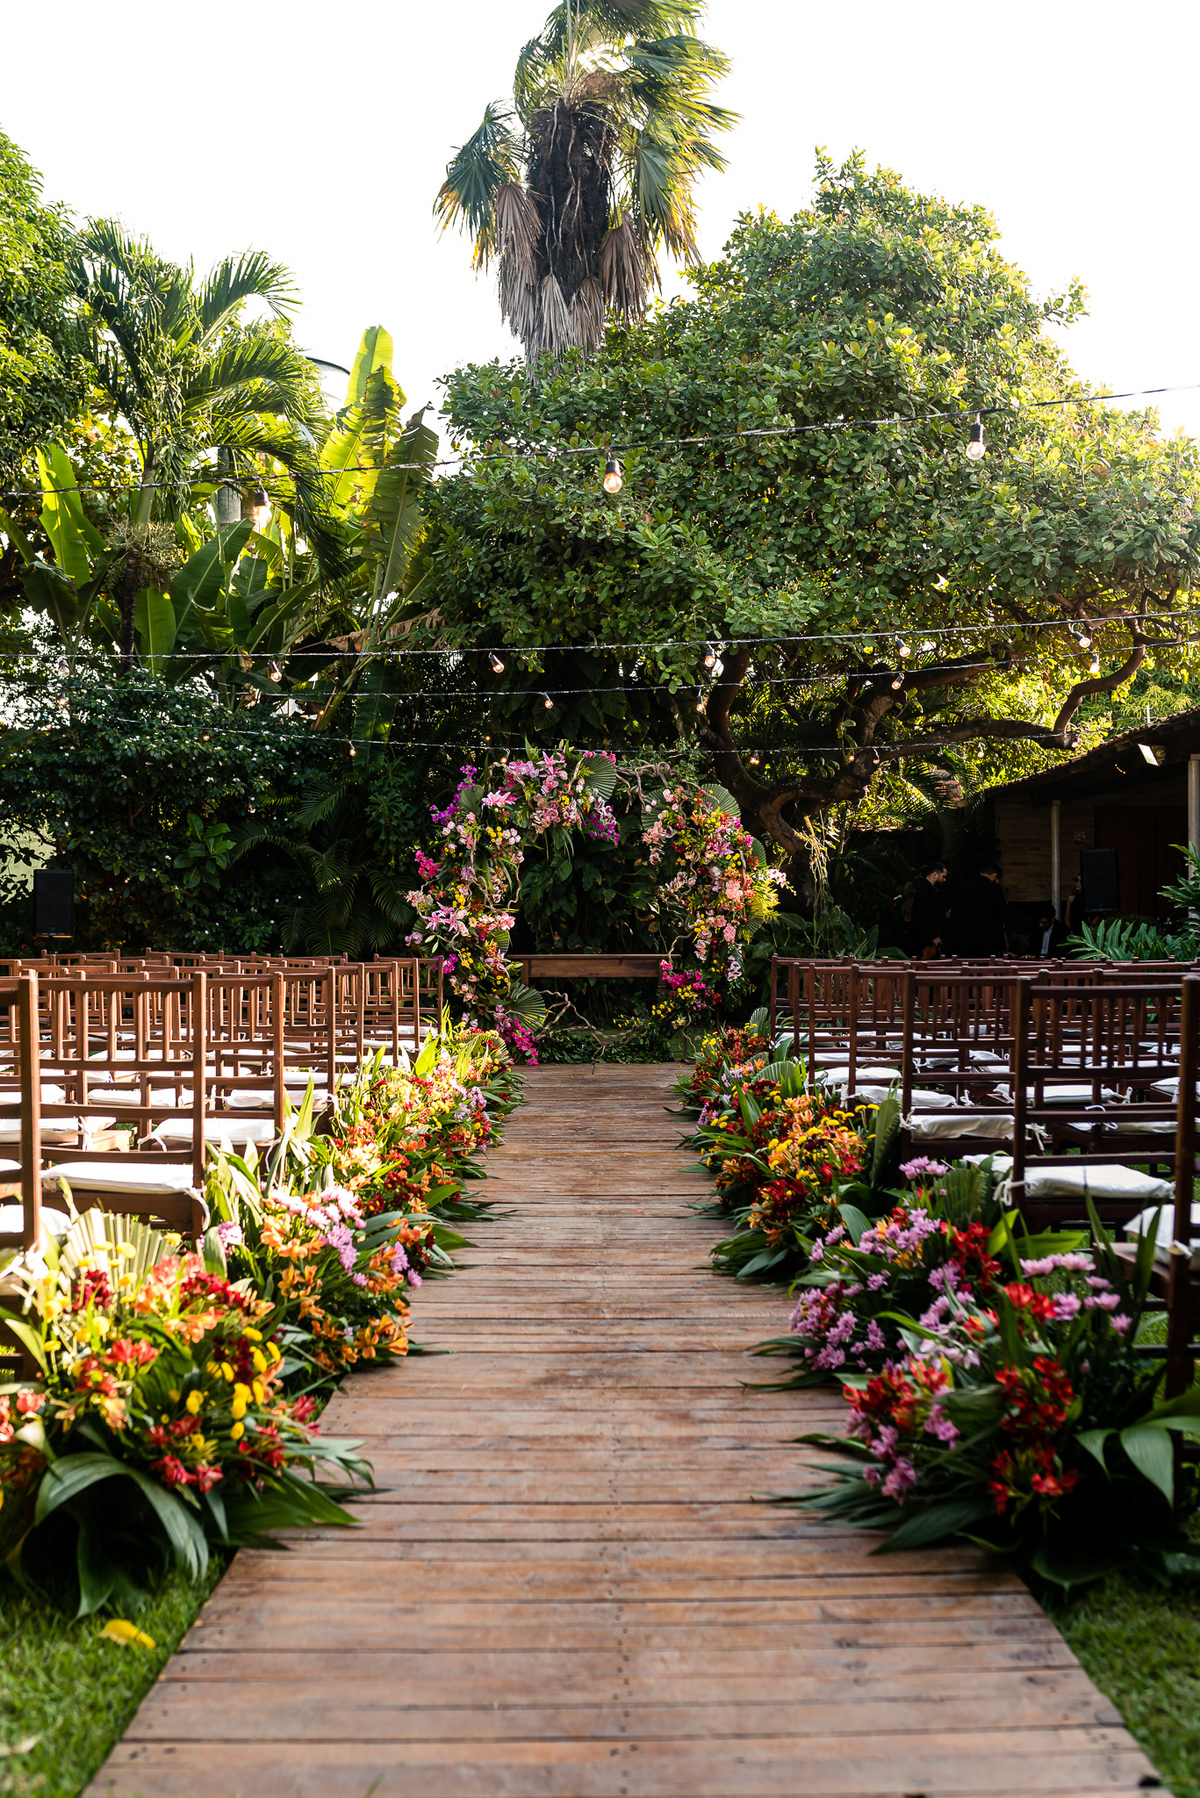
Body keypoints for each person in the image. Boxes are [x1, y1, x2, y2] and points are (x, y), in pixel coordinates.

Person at [950, 863, 1008, 957]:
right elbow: (1003, 913)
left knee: (968, 968)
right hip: (989, 940)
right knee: (988, 969)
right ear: (994, 875)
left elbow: (955, 914)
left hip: (967, 939)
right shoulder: (995, 888)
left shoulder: (964, 888)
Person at [906, 862, 948, 958]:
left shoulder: (927, 888)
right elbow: (922, 914)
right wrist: (932, 936)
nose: (944, 880)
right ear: (935, 875)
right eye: (943, 876)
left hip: (925, 938)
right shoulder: (924, 888)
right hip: (923, 940)